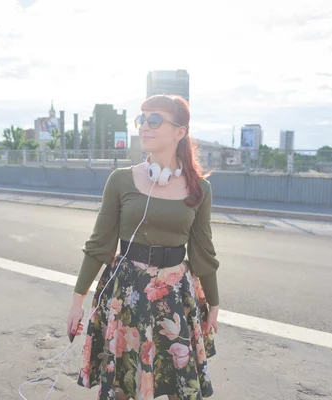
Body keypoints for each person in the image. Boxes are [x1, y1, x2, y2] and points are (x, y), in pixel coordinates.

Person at [67, 94, 220, 399]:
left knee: (180, 385)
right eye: (141, 119)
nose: (144, 127)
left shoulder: (199, 188)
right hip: (126, 292)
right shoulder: (121, 180)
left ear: (180, 131)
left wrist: (213, 303)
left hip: (175, 295)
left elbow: (203, 251)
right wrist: (78, 297)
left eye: (154, 120)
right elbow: (100, 244)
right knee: (123, 383)